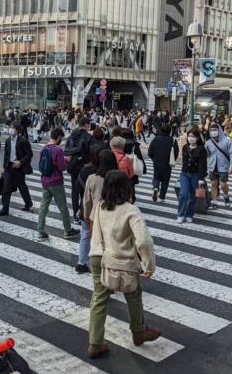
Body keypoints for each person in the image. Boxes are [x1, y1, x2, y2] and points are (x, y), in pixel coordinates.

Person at [87, 170, 159, 359]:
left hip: (98, 256)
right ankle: (138, 332)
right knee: (133, 294)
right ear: (126, 187)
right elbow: (143, 241)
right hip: (123, 259)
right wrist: (149, 264)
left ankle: (95, 343)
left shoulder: (101, 206)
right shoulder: (130, 210)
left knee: (99, 299)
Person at [36, 128, 80, 242]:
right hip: (56, 182)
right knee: (63, 208)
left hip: (45, 181)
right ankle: (68, 230)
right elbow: (62, 167)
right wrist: (66, 160)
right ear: (59, 137)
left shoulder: (43, 148)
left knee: (43, 207)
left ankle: (40, 232)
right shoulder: (58, 150)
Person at [79, 150, 118, 274]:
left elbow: (87, 200)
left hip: (96, 216)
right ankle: (110, 269)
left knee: (96, 243)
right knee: (113, 243)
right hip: (115, 215)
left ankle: (93, 266)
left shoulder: (92, 178)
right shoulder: (120, 176)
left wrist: (86, 214)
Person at [0, 121, 33, 216]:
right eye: (10, 127)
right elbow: (6, 154)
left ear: (17, 131)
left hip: (19, 167)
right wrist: (4, 167)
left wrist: (20, 162)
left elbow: (29, 154)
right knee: (6, 187)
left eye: (13, 128)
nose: (10, 129)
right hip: (9, 167)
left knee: (21, 185)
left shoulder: (23, 141)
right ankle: (5, 209)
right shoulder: (8, 140)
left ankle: (28, 203)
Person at [64, 116, 93, 223]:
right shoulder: (88, 137)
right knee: (84, 191)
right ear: (86, 125)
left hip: (72, 166)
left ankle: (75, 215)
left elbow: (66, 150)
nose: (89, 126)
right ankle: (82, 213)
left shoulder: (71, 136)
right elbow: (92, 152)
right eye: (89, 124)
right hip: (84, 166)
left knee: (74, 190)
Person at [177, 128, 208, 223]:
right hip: (185, 174)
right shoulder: (185, 147)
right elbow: (184, 162)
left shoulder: (202, 149)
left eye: (193, 137)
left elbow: (203, 165)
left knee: (192, 196)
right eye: (189, 136)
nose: (190, 138)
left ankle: (189, 214)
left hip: (196, 175)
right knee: (184, 193)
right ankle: (180, 214)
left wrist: (201, 179)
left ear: (198, 138)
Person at [205, 123, 232, 209]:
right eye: (211, 130)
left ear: (219, 130)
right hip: (212, 166)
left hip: (223, 166)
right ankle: (214, 202)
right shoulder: (208, 143)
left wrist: (231, 166)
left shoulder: (227, 142)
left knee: (223, 184)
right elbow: (207, 154)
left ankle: (226, 196)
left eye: (215, 130)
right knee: (213, 183)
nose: (213, 132)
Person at [147, 123, 179, 203]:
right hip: (167, 163)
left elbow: (150, 152)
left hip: (157, 162)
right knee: (165, 180)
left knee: (156, 177)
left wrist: (154, 159)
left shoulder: (156, 139)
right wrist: (172, 159)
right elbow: (176, 152)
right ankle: (162, 196)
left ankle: (156, 187)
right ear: (170, 130)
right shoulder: (172, 140)